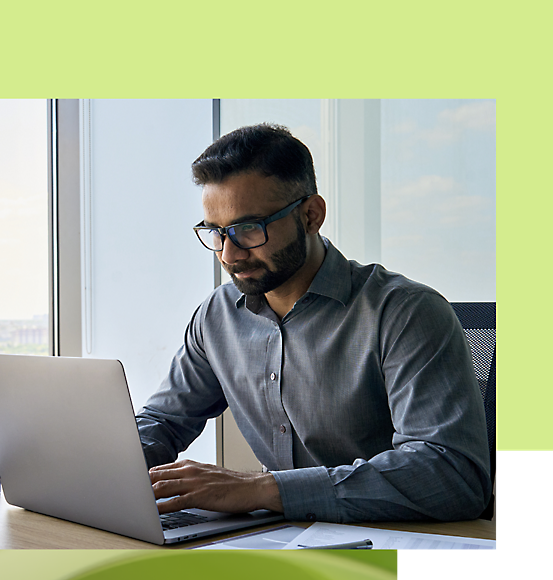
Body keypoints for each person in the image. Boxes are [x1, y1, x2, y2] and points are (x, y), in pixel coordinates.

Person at [137, 123, 491, 523]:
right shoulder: (218, 316)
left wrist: (259, 489)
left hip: (395, 546)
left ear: (311, 215)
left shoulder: (406, 313)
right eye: (216, 232)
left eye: (248, 228)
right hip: (282, 541)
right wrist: (100, 462)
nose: (229, 254)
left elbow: (451, 476)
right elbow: (163, 422)